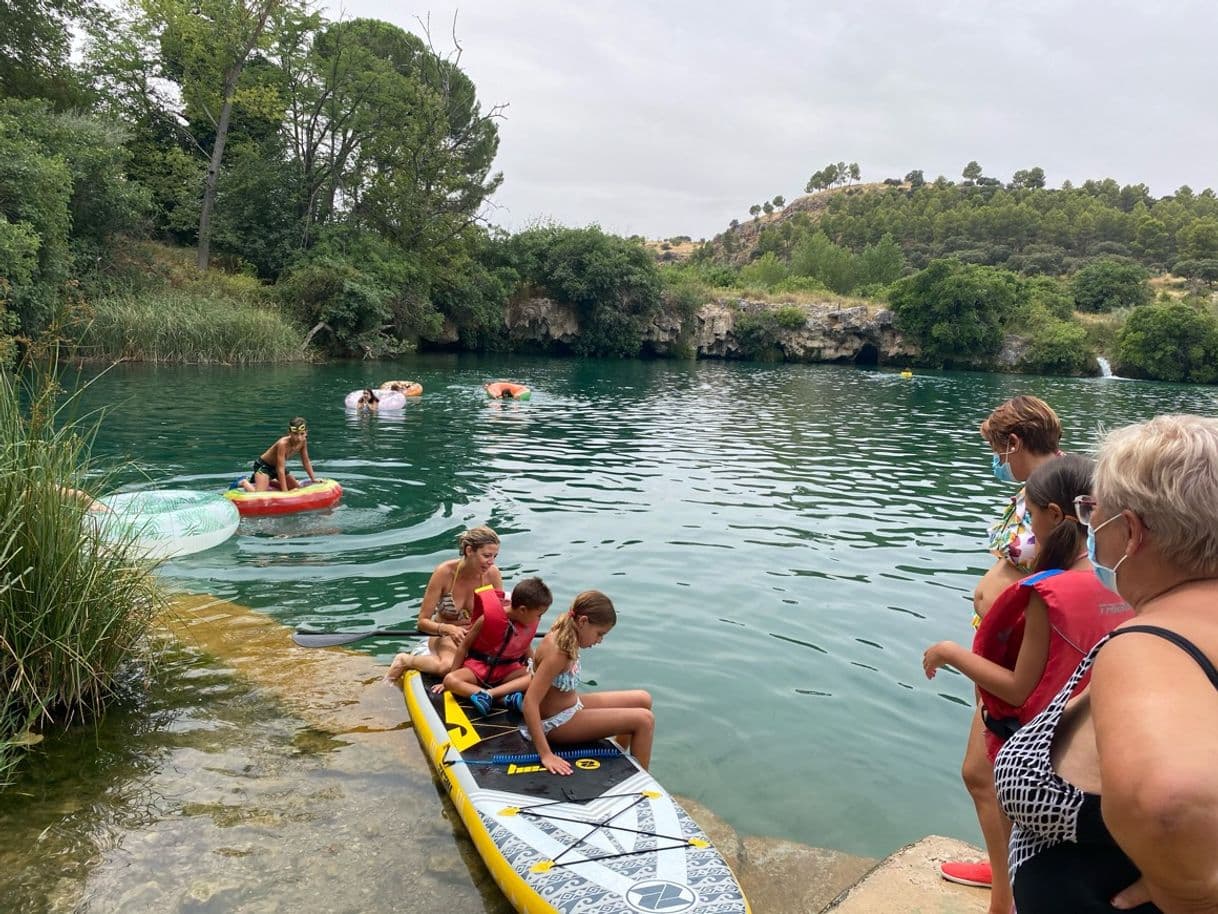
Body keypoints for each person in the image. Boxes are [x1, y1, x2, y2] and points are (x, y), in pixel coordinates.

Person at [993, 415, 1218, 913]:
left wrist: (1190, 894)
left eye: (1094, 510)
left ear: (1131, 531)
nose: (1088, 524)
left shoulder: (1148, 647)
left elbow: (1169, 808)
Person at [923, 455, 1133, 914]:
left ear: (1055, 516)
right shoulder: (1123, 581)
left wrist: (949, 652)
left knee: (1034, 868)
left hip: (1041, 755)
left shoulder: (1049, 592)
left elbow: (1019, 689)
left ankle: (1005, 902)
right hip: (1101, 756)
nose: (1028, 528)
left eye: (1030, 515)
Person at [940, 394, 1064, 892]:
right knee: (987, 772)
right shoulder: (1043, 488)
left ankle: (1007, 887)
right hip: (1002, 649)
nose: (996, 461)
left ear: (1013, 443)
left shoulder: (1055, 497)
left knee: (986, 771)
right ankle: (1008, 876)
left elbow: (1044, 573)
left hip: (1020, 661)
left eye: (996, 450)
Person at [520, 590, 655, 776]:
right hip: (556, 724)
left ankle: (618, 756)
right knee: (644, 720)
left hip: (571, 706)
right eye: (599, 634)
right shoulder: (558, 653)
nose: (600, 641)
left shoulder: (568, 632)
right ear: (583, 621)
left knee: (643, 698)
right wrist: (546, 754)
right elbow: (530, 703)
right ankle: (642, 784)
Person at [383, 526, 504, 682]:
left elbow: (499, 616)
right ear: (469, 551)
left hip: (476, 636)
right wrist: (448, 629)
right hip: (445, 636)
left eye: (495, 556)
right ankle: (405, 660)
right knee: (447, 668)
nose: (491, 562)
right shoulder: (444, 573)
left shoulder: (493, 574)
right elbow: (422, 622)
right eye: (486, 555)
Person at [438, 577, 553, 716]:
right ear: (523, 610)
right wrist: (451, 675)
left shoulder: (526, 623)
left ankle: (486, 695)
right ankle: (503, 699)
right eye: (539, 615)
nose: (539, 619)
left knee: (536, 677)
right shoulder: (486, 619)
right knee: (450, 681)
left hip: (507, 671)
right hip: (479, 668)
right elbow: (464, 647)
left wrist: (536, 669)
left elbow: (526, 648)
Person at [238, 417, 317, 493]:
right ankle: (244, 482)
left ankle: (271, 480)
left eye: (302, 434)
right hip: (263, 467)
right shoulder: (283, 444)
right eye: (295, 434)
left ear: (306, 432)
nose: (299, 438)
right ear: (289, 433)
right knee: (260, 495)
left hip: (277, 467)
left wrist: (313, 479)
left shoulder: (303, 442)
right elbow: (280, 469)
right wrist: (285, 492)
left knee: (297, 488)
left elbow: (306, 461)